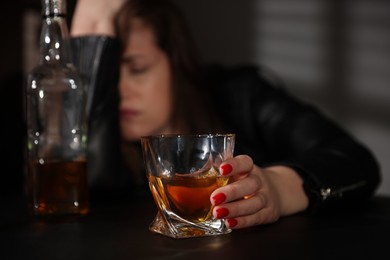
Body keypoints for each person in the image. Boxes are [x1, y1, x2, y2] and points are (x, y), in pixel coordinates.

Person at [70, 0, 381, 229]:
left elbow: (356, 160)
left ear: (175, 64)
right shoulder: (99, 151)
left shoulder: (239, 94)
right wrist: (91, 28)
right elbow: (89, 185)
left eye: (137, 69)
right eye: (108, 78)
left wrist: (278, 188)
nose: (121, 90)